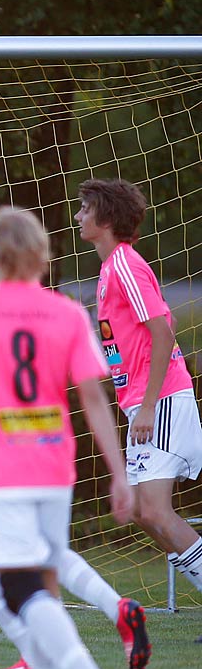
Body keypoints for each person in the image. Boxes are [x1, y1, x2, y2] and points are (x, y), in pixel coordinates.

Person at [0, 192, 148, 669]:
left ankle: (38, 650)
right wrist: (116, 473)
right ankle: (108, 613)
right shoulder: (54, 305)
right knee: (47, 552)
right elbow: (89, 392)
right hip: (45, 443)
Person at [75, 178, 202, 600]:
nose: (77, 216)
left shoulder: (125, 265)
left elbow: (164, 334)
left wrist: (147, 407)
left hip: (160, 400)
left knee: (154, 510)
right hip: (144, 404)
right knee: (145, 514)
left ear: (105, 218)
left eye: (85, 209)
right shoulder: (110, 268)